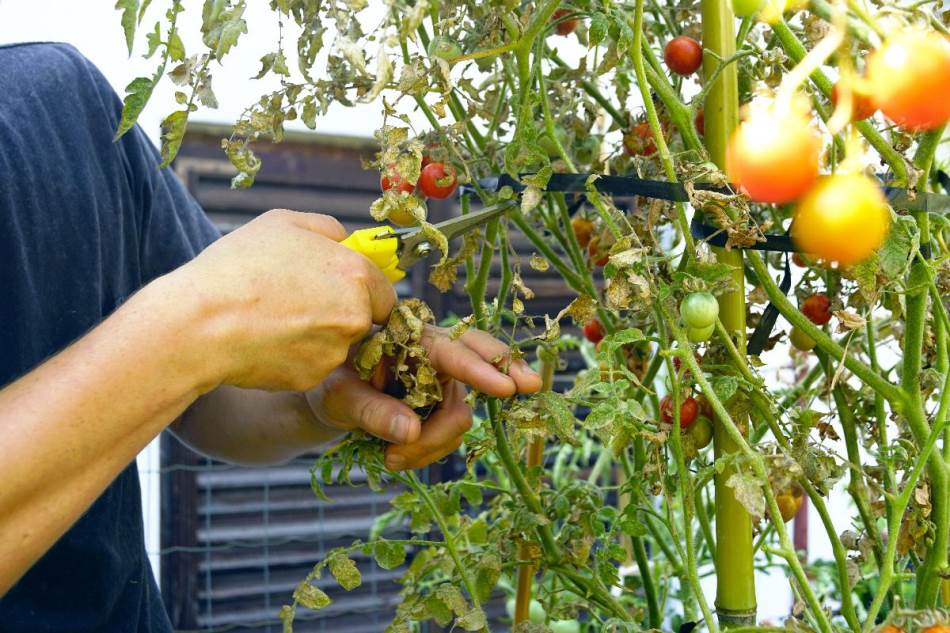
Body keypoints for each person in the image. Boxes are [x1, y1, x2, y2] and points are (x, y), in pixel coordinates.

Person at [0, 43, 541, 631]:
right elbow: (195, 343)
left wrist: (316, 395)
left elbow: (203, 395)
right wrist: (201, 325)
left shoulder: (64, 103)